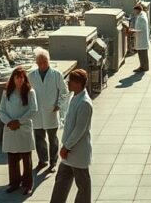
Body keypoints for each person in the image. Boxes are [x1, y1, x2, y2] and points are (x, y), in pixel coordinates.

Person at [49, 69, 93, 203]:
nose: (68, 83)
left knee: (83, 186)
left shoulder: (85, 103)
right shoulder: (75, 97)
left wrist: (66, 147)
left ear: (79, 84)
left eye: (71, 81)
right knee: (61, 181)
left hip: (77, 151)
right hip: (68, 152)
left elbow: (79, 130)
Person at [0, 68, 38, 195]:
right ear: (13, 79)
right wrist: (9, 122)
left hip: (23, 128)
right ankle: (14, 183)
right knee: (12, 158)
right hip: (10, 128)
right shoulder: (7, 92)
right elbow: (1, 110)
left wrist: (19, 121)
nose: (20, 80)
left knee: (26, 159)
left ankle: (28, 184)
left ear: (24, 78)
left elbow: (33, 109)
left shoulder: (30, 92)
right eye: (17, 77)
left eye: (22, 77)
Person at [29, 48, 68, 172]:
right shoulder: (31, 75)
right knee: (39, 138)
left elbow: (64, 91)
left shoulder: (56, 74)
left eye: (44, 62)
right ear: (36, 63)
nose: (42, 65)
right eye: (39, 63)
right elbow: (26, 93)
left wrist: (59, 104)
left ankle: (53, 162)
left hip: (51, 111)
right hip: (37, 113)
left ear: (48, 61)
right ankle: (42, 160)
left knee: (53, 139)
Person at [130, 3, 150, 72]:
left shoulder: (142, 17)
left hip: (142, 39)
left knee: (142, 54)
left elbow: (141, 28)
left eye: (134, 11)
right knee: (142, 54)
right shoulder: (141, 15)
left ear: (137, 10)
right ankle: (143, 66)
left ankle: (144, 67)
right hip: (141, 38)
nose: (133, 12)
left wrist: (133, 30)